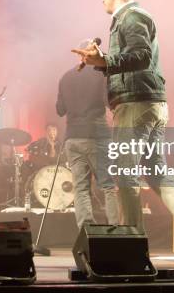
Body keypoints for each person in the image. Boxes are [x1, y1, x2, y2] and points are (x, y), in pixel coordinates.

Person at [72, 0, 174, 267]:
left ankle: (130, 250)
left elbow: (141, 55)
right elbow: (137, 57)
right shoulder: (131, 18)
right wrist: (103, 62)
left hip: (137, 105)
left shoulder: (132, 16)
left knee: (125, 173)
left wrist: (105, 60)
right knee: (156, 172)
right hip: (150, 104)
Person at [56, 40, 119, 228]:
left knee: (81, 188)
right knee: (108, 186)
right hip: (96, 136)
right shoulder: (101, 76)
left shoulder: (65, 77)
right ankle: (115, 230)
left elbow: (60, 110)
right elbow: (110, 103)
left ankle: (87, 232)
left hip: (73, 137)